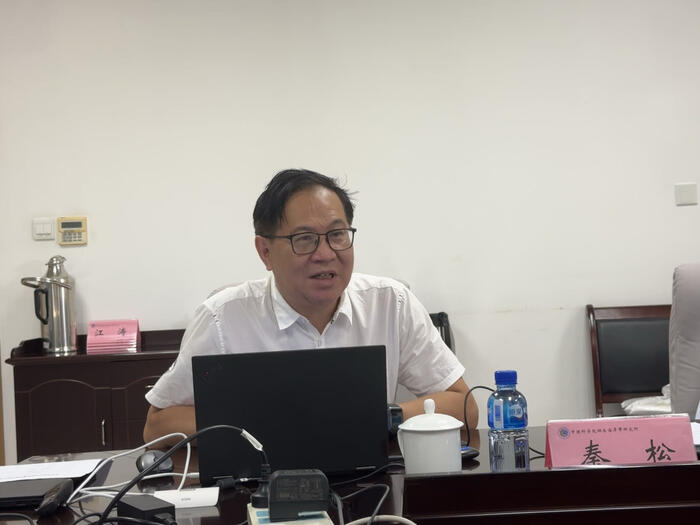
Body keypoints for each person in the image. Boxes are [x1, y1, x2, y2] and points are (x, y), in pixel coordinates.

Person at [143, 169, 479, 444]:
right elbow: (158, 425)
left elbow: (464, 406)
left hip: (370, 484)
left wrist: (382, 417)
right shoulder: (222, 318)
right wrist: (263, 423)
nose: (326, 253)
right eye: (304, 239)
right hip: (260, 489)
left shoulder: (391, 303)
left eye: (337, 234)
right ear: (265, 252)